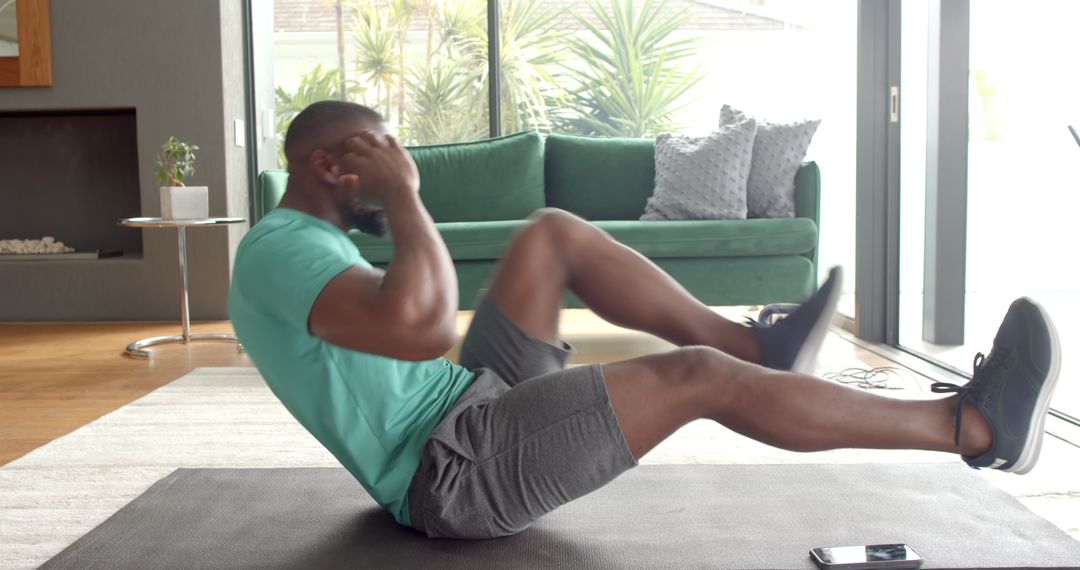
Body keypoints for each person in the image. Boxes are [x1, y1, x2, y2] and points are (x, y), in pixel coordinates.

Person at [228, 101, 1062, 539]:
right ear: (330, 164)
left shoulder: (301, 243)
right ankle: (974, 428)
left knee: (550, 235)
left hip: (465, 404)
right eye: (381, 149)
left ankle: (756, 344)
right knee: (697, 381)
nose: (401, 163)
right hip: (449, 471)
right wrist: (406, 194)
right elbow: (419, 328)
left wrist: (400, 195)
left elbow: (416, 331)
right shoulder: (279, 250)